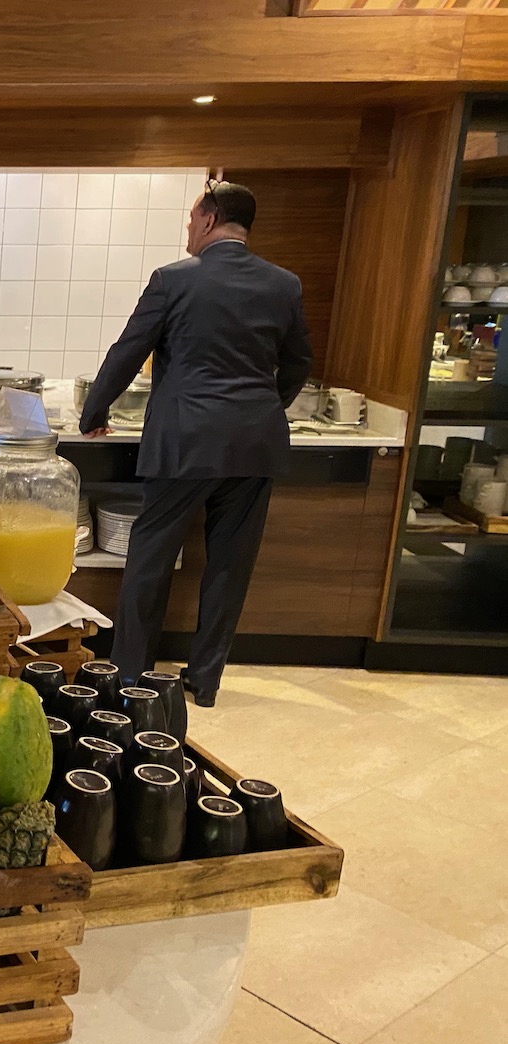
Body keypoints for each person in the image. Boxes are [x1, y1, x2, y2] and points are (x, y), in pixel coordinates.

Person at [78, 181, 312, 707]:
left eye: (190, 218)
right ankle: (203, 681)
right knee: (230, 565)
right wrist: (262, 404)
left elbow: (127, 352)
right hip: (254, 445)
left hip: (185, 441)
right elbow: (298, 363)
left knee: (151, 556)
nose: (187, 228)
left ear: (208, 219)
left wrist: (95, 412)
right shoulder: (284, 284)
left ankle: (132, 678)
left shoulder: (173, 281)